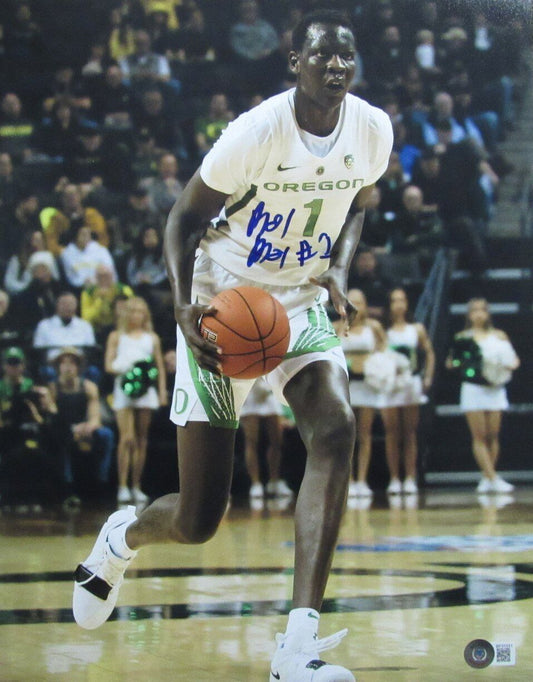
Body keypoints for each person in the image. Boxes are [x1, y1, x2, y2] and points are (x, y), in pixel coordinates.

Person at [73, 10, 393, 682]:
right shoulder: (255, 132)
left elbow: (361, 200)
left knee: (335, 429)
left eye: (347, 57)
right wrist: (181, 306)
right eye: (323, 56)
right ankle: (120, 538)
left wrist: (336, 270)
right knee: (198, 519)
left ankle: (296, 648)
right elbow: (183, 217)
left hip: (299, 297)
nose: (336, 67)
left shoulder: (370, 128)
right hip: (225, 301)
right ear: (294, 63)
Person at [446, 298, 519, 494]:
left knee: (493, 434)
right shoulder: (463, 337)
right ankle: (493, 477)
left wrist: (505, 365)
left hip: (495, 388)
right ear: (469, 315)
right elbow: (451, 362)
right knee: (479, 435)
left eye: (482, 310)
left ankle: (488, 477)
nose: (478, 314)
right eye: (474, 310)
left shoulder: (499, 336)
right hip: (474, 388)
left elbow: (513, 360)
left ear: (488, 313)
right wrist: (465, 362)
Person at [104, 296, 167, 503]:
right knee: (127, 438)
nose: (136, 316)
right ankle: (122, 485)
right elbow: (108, 365)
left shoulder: (152, 338)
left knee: (142, 438)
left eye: (140, 311)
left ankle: (136, 485)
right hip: (124, 388)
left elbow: (158, 366)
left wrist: (162, 391)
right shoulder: (116, 336)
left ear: (145, 315)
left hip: (146, 391)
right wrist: (123, 367)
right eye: (132, 311)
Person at [381, 288, 435, 496]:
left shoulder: (417, 329)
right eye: (394, 300)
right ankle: (395, 478)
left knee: (410, 432)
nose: (399, 304)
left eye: (402, 300)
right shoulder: (383, 330)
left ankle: (410, 478)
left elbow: (429, 353)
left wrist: (427, 376)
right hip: (390, 384)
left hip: (410, 382)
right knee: (392, 433)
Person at [48, 346, 115, 505]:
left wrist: (88, 427)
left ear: (78, 367)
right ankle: (68, 486)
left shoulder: (89, 387)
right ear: (58, 367)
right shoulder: (52, 388)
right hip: (63, 429)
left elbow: (95, 416)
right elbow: (53, 417)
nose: (68, 367)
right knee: (61, 438)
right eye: (64, 363)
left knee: (106, 435)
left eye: (72, 363)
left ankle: (102, 482)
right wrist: (72, 429)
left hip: (85, 427)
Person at [336, 289, 386, 498]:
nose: (355, 306)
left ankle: (362, 481)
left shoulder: (373, 328)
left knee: (364, 435)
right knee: (345, 436)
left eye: (360, 302)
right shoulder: (335, 327)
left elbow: (384, 353)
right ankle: (348, 481)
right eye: (351, 301)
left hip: (367, 385)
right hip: (344, 387)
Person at [240, 377, 291, 500]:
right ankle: (255, 484)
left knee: (277, 440)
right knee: (251, 441)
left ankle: (275, 481)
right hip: (249, 390)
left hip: (269, 390)